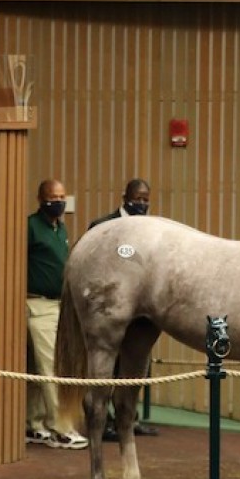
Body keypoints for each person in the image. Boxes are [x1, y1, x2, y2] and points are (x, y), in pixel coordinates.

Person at [88, 178, 159, 440]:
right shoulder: (101, 227)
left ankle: (129, 418)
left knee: (137, 363)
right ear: (124, 197)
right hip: (110, 307)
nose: (141, 204)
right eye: (137, 198)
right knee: (108, 362)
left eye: (145, 199)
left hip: (142, 310)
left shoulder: (152, 230)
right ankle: (103, 419)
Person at [25, 178, 88, 450]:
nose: (59, 201)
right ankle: (62, 428)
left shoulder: (60, 227)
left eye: (62, 196)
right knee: (51, 367)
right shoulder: (30, 226)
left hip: (58, 306)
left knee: (37, 368)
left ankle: (35, 424)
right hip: (37, 305)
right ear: (41, 199)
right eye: (53, 196)